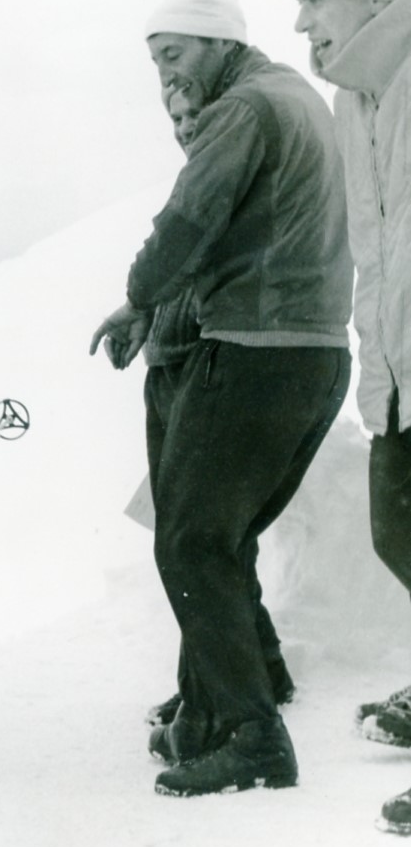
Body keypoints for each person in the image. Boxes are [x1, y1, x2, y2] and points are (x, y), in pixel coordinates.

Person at [90, 0, 354, 797]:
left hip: (258, 348)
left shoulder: (241, 109)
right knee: (215, 528)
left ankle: (252, 738)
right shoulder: (287, 96)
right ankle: (236, 688)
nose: (162, 75)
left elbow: (188, 219)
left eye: (172, 54)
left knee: (192, 540)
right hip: (307, 350)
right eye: (153, 60)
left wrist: (138, 297)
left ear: (214, 43)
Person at [289, 0, 411, 836]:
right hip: (398, 369)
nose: (300, 22)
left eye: (313, 1)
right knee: (397, 535)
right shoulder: (358, 100)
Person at [135, 84, 297, 730]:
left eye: (194, 115)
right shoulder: (196, 183)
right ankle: (248, 672)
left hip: (206, 369)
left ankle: (228, 692)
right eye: (173, 117)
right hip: (171, 371)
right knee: (208, 545)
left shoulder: (226, 186)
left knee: (197, 544)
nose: (182, 127)